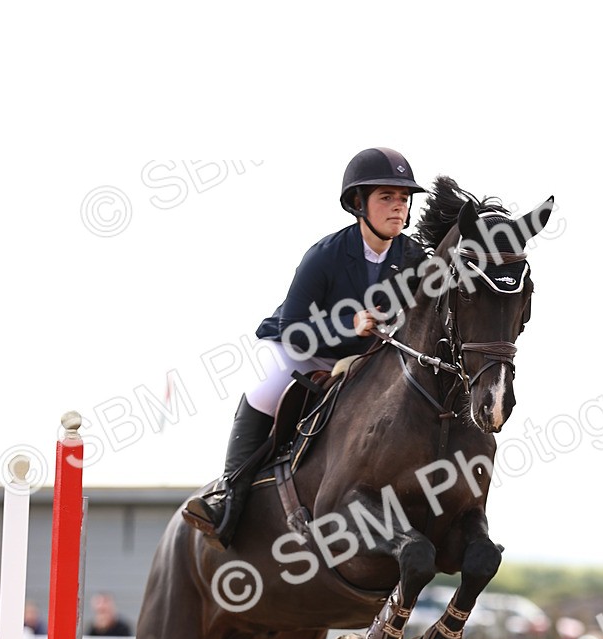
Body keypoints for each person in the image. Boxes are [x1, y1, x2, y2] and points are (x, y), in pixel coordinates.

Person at [183, 147, 427, 549]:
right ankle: (228, 496)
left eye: (403, 199)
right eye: (386, 197)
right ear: (357, 203)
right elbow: (296, 328)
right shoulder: (325, 256)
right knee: (265, 389)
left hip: (363, 358)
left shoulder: (413, 256)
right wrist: (351, 323)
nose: (398, 207)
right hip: (302, 347)